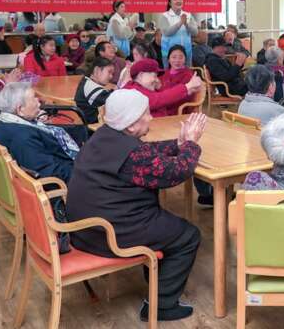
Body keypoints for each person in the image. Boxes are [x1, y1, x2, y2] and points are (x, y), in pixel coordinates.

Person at [66, 90, 205, 321]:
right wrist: (191, 143)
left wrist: (177, 144)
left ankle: (157, 283)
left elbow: (146, 153)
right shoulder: (133, 154)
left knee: (167, 225)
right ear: (130, 125)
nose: (151, 117)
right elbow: (177, 171)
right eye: (146, 113)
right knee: (188, 235)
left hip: (85, 228)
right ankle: (161, 306)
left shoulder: (103, 135)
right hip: (110, 233)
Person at [0, 82, 78, 182]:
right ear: (20, 109)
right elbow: (51, 173)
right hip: (68, 177)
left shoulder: (5, 123)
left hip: (59, 163)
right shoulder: (24, 138)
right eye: (34, 98)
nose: (39, 103)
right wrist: (85, 173)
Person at [124, 58, 202, 118]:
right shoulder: (133, 91)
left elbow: (163, 96)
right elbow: (160, 98)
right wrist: (187, 86)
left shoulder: (142, 88)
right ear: (141, 76)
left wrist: (188, 90)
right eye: (154, 76)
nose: (156, 79)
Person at [159, 0, 198, 67]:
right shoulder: (165, 16)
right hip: (169, 52)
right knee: (170, 73)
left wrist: (186, 24)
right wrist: (180, 23)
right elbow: (166, 32)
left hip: (186, 52)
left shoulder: (188, 15)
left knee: (186, 73)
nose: (178, 1)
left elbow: (195, 32)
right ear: (170, 3)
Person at [74, 57, 114, 125]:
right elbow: (115, 101)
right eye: (109, 72)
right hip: (91, 128)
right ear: (97, 70)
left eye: (112, 74)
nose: (111, 76)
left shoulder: (86, 81)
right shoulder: (91, 87)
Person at [159, 45, 198, 114]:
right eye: (174, 57)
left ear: (185, 59)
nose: (177, 60)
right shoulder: (166, 73)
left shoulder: (188, 75)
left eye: (181, 57)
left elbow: (184, 97)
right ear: (168, 59)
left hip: (177, 110)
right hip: (163, 105)